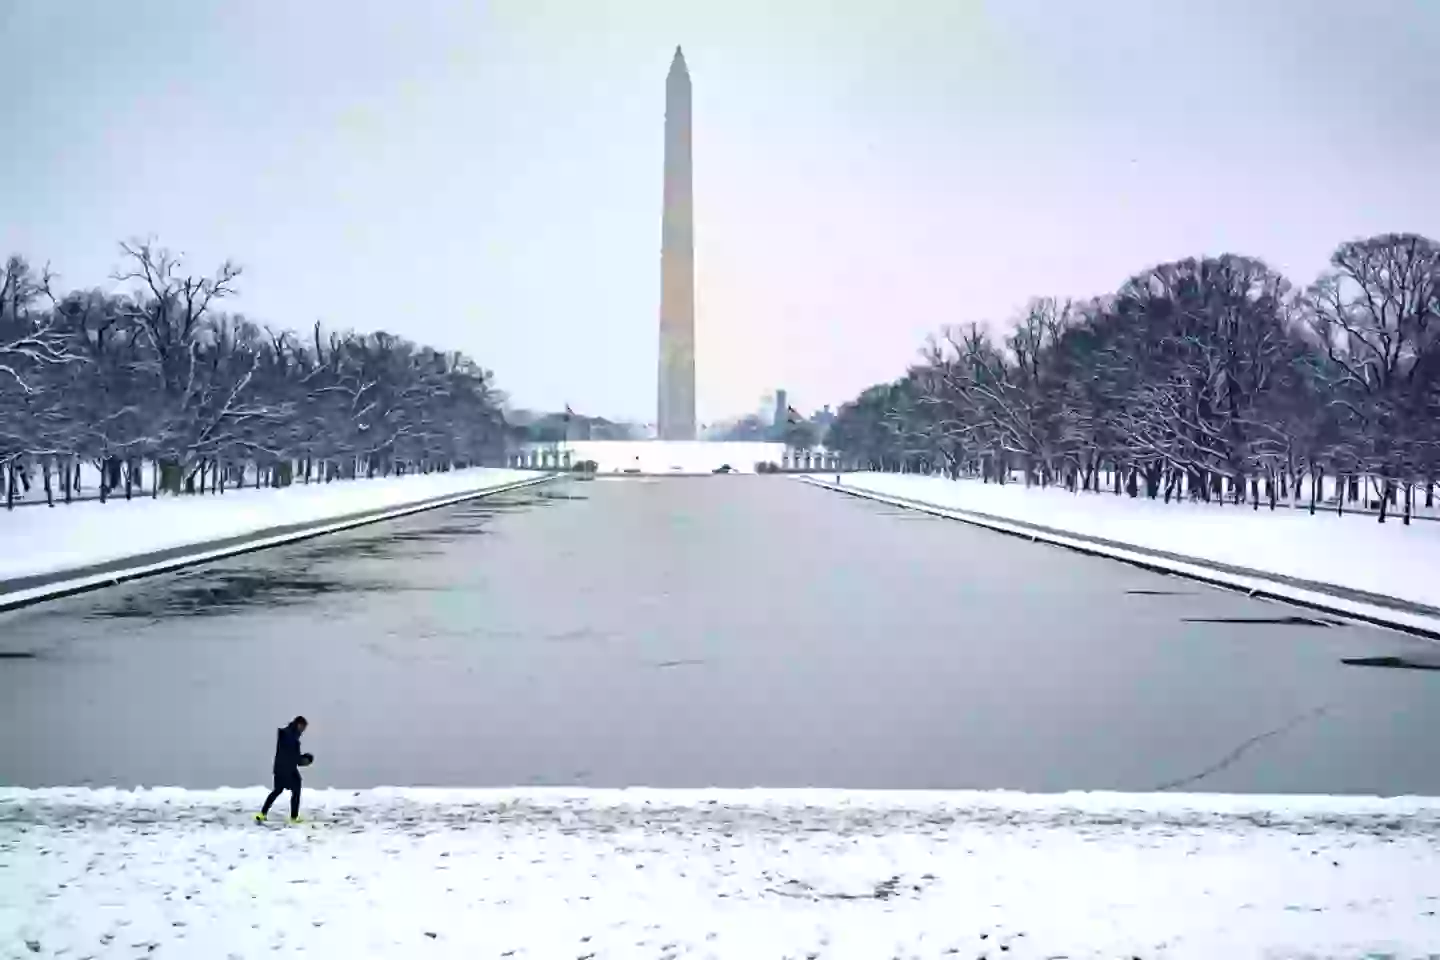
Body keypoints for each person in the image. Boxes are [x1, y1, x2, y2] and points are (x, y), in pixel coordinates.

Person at [256, 715, 312, 823]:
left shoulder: (288, 734)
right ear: (299, 725)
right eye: (303, 727)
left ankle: (262, 814)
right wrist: (305, 760)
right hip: (287, 769)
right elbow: (293, 757)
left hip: (279, 768)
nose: (304, 730)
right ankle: (294, 817)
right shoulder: (291, 737)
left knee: (277, 790)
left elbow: (291, 755)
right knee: (296, 788)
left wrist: (301, 760)